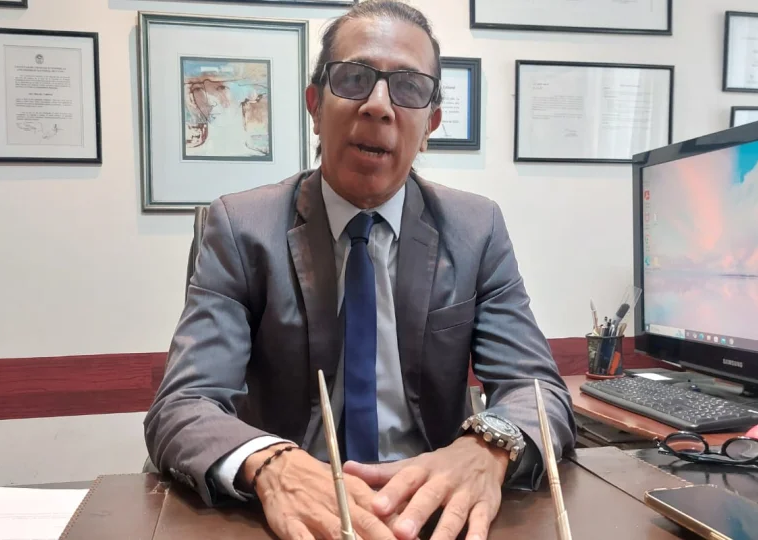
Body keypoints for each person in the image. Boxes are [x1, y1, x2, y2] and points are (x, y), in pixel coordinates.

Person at [144, 1, 575, 539]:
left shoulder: (476, 228)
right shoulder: (241, 228)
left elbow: (538, 390)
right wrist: (272, 463)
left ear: (430, 124)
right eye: (353, 79)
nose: (378, 106)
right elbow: (183, 405)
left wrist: (486, 446)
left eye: (409, 87)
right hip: (293, 514)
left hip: (430, 512)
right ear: (315, 105)